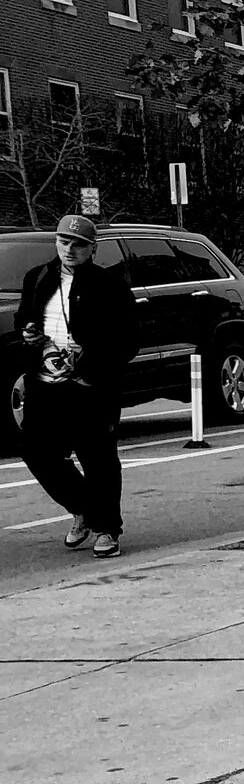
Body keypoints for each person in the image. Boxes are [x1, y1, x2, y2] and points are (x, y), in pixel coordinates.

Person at [16, 213, 137, 556]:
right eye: (64, 242)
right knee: (36, 451)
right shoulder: (37, 277)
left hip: (92, 387)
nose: (70, 249)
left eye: (79, 244)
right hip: (45, 385)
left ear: (92, 249)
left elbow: (129, 341)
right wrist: (29, 332)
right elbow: (25, 316)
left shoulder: (109, 285)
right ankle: (83, 508)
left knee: (97, 456)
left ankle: (107, 529)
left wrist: (92, 360)